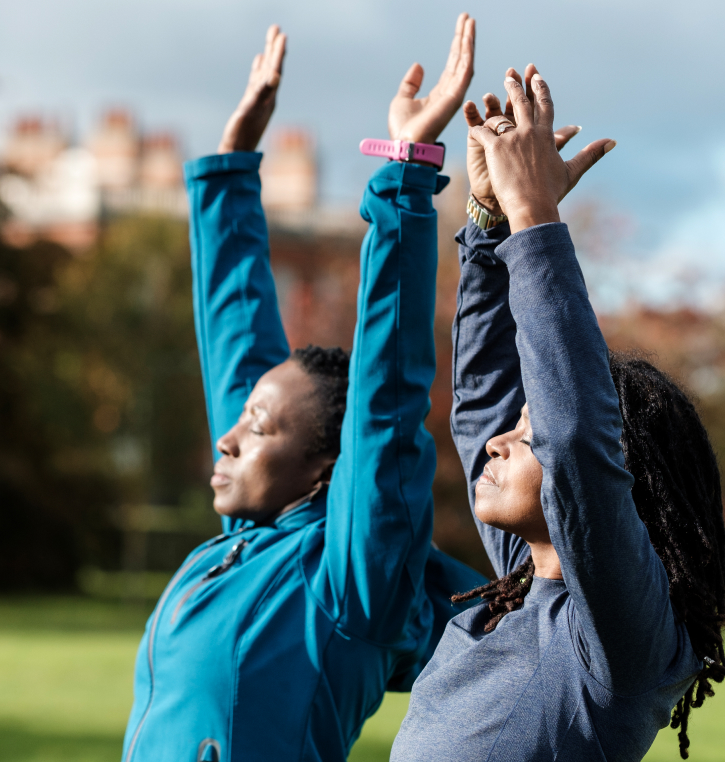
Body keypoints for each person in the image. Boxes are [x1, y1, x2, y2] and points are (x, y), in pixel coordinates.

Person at [121, 15, 487, 762]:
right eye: (244, 421)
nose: (228, 435)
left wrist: (408, 174)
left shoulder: (348, 586)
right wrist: (231, 166)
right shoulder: (244, 547)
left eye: (256, 428)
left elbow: (385, 402)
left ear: (325, 470)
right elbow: (241, 349)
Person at [390, 65, 725, 761]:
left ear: (620, 479)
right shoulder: (524, 585)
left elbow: (575, 439)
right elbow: (486, 394)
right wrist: (489, 226)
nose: (496, 446)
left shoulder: (621, 639)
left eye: (527, 434)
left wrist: (535, 219)